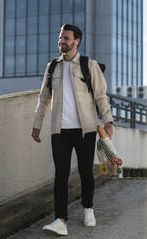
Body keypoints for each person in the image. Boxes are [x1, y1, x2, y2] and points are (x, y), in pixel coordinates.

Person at [31, 24, 114, 236]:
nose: (61, 41)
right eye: (60, 37)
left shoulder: (89, 65)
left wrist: (108, 121)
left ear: (76, 41)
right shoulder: (53, 67)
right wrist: (36, 124)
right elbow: (43, 98)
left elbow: (100, 96)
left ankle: (88, 209)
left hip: (85, 129)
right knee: (61, 174)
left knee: (86, 171)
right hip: (60, 131)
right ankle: (60, 220)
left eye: (66, 38)